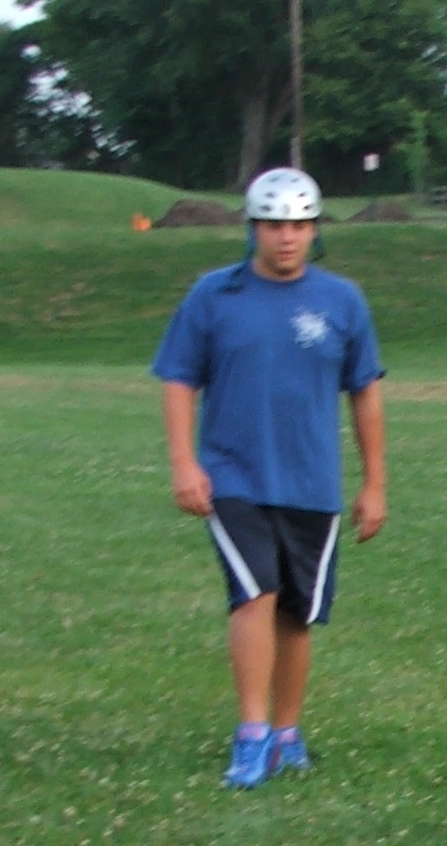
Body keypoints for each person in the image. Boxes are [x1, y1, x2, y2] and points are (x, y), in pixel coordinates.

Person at [154, 168, 387, 784]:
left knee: (295, 613)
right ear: (253, 228)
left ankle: (286, 733)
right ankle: (251, 736)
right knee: (254, 594)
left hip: (312, 483)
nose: (287, 237)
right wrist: (184, 463)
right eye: (274, 224)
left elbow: (365, 393)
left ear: (315, 230)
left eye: (300, 225)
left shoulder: (343, 301)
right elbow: (178, 378)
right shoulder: (213, 296)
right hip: (235, 477)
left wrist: (374, 484)